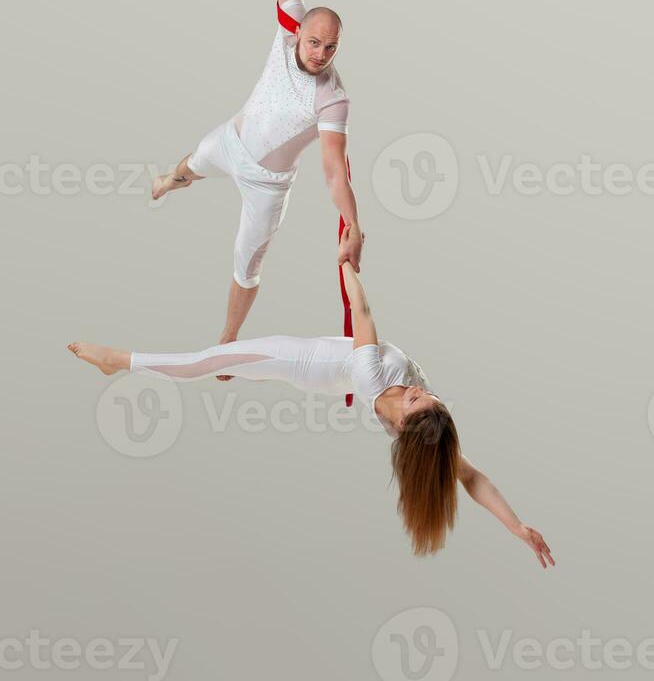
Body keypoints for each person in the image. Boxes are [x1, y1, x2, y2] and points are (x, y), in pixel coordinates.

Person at [67, 238, 554, 566]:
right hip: (327, 376)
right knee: (230, 364)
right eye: (427, 396)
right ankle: (232, 365)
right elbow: (469, 475)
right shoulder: (425, 428)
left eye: (416, 401)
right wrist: (517, 525)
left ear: (404, 425)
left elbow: (362, 310)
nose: (420, 391)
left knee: (206, 361)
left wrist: (343, 260)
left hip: (301, 361)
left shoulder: (375, 374)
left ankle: (119, 361)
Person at [151, 0, 364, 345]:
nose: (320, 54)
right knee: (189, 165)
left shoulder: (333, 98)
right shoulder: (290, 21)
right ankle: (168, 181)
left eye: (331, 47)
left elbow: (334, 170)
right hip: (232, 140)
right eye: (314, 43)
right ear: (302, 31)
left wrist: (354, 225)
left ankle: (227, 336)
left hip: (266, 186)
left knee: (245, 265)